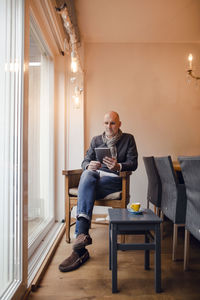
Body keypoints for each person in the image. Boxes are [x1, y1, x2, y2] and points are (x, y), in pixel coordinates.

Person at [59, 111, 138, 272]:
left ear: (119, 124)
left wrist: (118, 166)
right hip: (95, 178)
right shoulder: (96, 140)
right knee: (87, 173)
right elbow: (85, 161)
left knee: (86, 183)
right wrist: (89, 166)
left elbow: (133, 163)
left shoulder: (128, 139)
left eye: (113, 123)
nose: (109, 126)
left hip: (115, 180)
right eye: (106, 123)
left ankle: (80, 244)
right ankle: (81, 240)